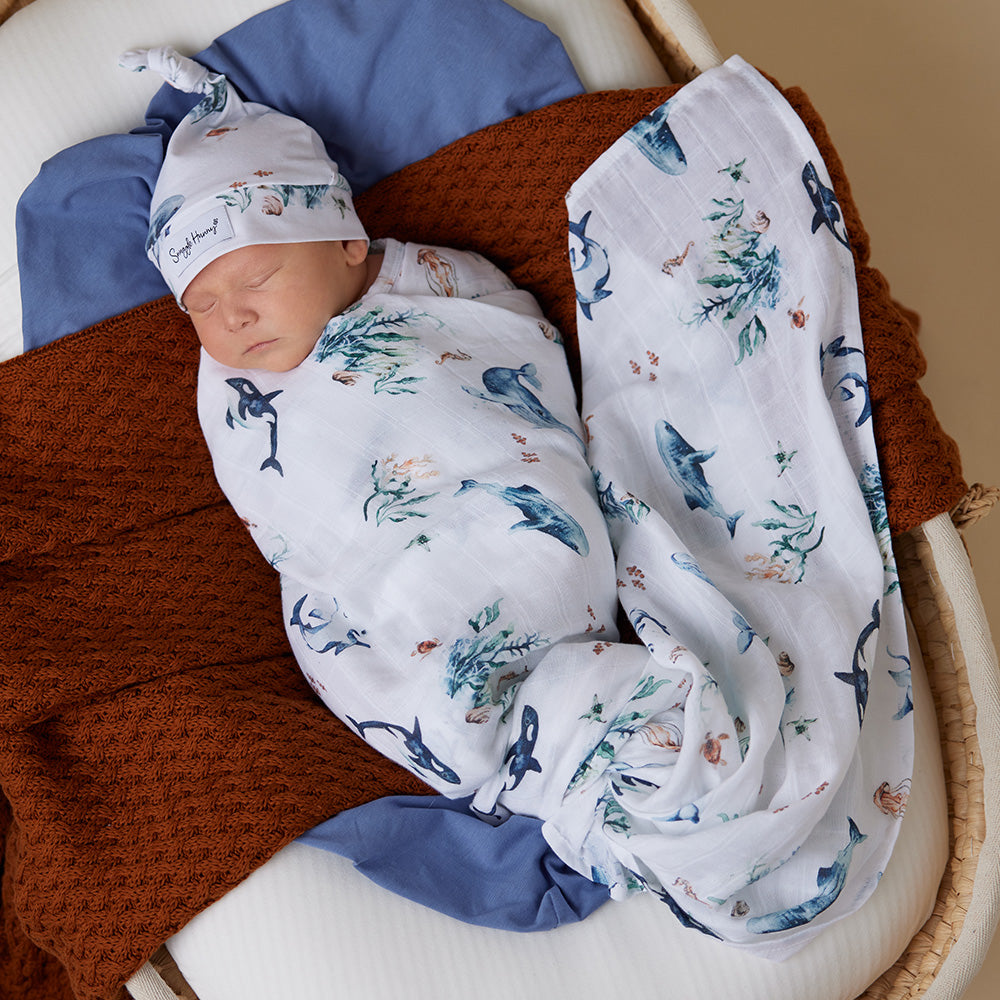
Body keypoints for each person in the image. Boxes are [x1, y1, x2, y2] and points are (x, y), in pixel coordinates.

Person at [124, 47, 912, 957]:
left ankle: (598, 732)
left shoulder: (437, 292)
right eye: (200, 305)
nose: (231, 320)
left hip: (528, 535)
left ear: (346, 242)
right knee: (424, 671)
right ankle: (552, 748)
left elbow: (517, 354)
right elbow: (288, 515)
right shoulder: (231, 393)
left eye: (254, 279)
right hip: (389, 594)